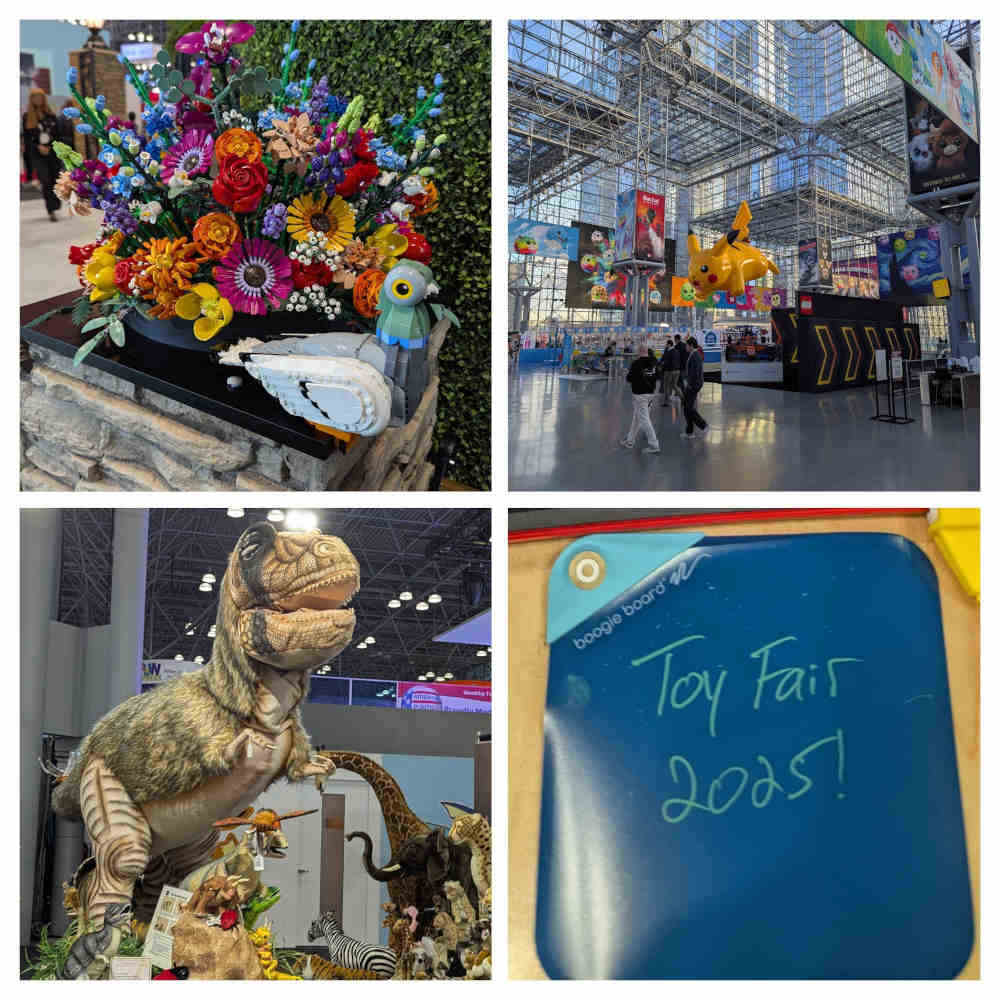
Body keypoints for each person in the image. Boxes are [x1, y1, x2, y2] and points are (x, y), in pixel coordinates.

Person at [22, 89, 61, 221]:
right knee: (45, 180)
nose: (38, 100)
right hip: (37, 154)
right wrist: (38, 147)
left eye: (40, 97)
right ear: (31, 100)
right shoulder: (27, 117)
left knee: (55, 179)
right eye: (35, 97)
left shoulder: (51, 115)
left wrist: (51, 147)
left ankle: (55, 204)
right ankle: (51, 210)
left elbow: (57, 135)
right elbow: (27, 139)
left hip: (52, 153)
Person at [619, 347, 660, 454]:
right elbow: (658, 376)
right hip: (650, 394)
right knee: (637, 418)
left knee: (644, 420)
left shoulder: (636, 363)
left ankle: (654, 444)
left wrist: (629, 374)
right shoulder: (654, 362)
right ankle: (630, 441)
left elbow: (629, 379)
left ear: (640, 352)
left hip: (640, 395)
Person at [679, 336, 708, 439]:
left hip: (693, 385)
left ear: (691, 345)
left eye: (687, 345)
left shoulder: (695, 355)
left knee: (688, 408)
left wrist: (690, 385)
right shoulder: (693, 354)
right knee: (687, 408)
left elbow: (696, 373)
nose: (685, 347)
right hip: (691, 385)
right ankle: (689, 432)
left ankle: (703, 425)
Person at [661, 336, 682, 407]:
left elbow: (666, 361)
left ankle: (666, 402)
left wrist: (662, 364)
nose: (665, 345)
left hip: (669, 371)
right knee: (674, 385)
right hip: (677, 371)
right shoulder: (676, 351)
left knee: (666, 386)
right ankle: (683, 398)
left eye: (666, 344)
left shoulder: (668, 351)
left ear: (669, 345)